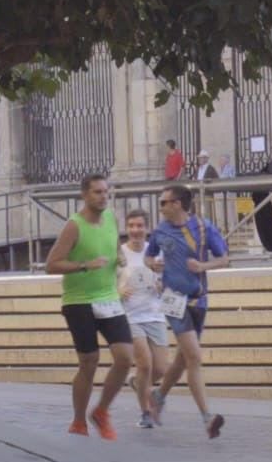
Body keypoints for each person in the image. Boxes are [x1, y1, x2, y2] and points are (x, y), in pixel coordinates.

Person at [45, 174, 133, 440]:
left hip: (108, 297)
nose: (103, 196)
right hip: (79, 301)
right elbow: (52, 264)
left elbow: (115, 245)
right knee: (89, 362)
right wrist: (84, 265)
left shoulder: (110, 218)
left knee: (125, 357)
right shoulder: (74, 226)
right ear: (84, 195)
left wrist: (119, 255)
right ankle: (78, 421)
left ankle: (102, 411)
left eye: (106, 191)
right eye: (97, 192)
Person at [145, 183, 230, 438]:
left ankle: (157, 396)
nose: (160, 207)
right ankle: (207, 417)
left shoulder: (202, 228)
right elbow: (149, 256)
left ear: (177, 204)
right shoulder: (160, 231)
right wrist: (154, 266)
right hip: (173, 300)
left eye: (164, 202)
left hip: (198, 300)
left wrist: (202, 266)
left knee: (183, 359)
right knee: (194, 356)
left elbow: (224, 258)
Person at [119, 209, 169, 429]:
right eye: (131, 226)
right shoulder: (120, 254)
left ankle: (136, 383)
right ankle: (145, 412)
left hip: (155, 313)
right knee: (145, 364)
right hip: (131, 316)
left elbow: (167, 282)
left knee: (161, 368)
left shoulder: (155, 252)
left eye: (140, 226)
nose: (135, 230)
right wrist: (117, 292)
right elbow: (108, 282)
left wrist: (161, 284)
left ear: (147, 229)